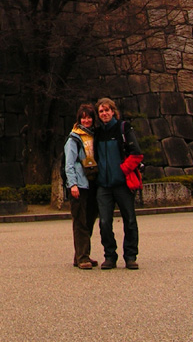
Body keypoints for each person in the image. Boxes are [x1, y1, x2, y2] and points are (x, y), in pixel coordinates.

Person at [94, 97, 143, 270]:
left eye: (107, 110)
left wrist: (122, 170)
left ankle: (130, 256)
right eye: (101, 111)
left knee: (129, 220)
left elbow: (136, 153)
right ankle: (110, 255)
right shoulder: (97, 133)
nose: (104, 113)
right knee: (104, 222)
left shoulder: (123, 128)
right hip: (103, 184)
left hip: (122, 183)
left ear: (113, 111)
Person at [64, 103, 99, 269]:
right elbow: (69, 164)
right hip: (79, 184)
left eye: (89, 117)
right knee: (80, 221)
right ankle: (82, 257)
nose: (86, 120)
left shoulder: (94, 136)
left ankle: (81, 254)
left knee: (89, 219)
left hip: (93, 182)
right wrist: (73, 184)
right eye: (83, 117)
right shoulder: (74, 139)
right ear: (79, 119)